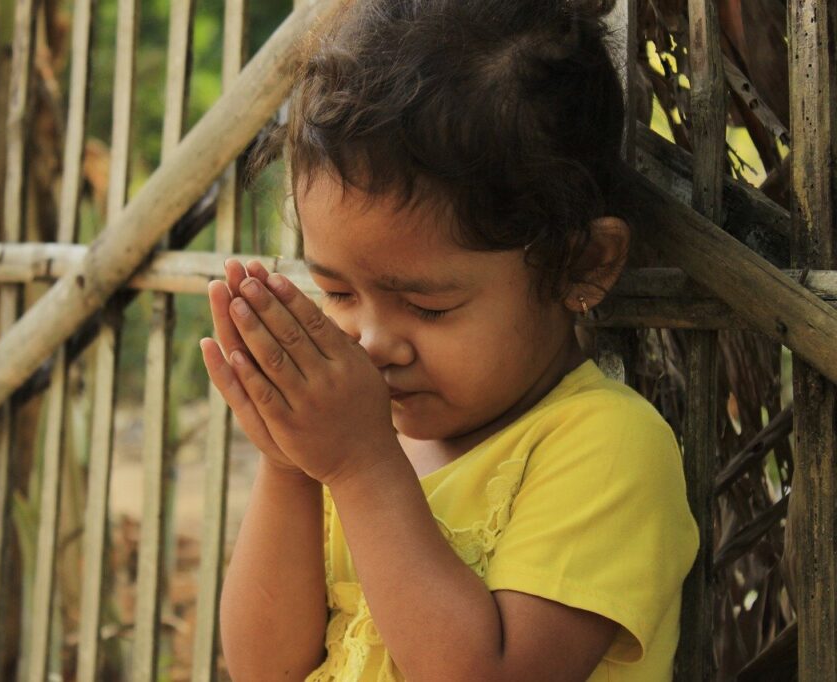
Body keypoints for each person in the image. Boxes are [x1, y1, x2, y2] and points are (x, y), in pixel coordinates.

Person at [199, 0, 699, 679]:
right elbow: (264, 667)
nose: (372, 342)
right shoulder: (353, 438)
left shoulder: (606, 448)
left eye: (426, 306)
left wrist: (364, 470)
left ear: (583, 264)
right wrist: (287, 463)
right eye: (339, 293)